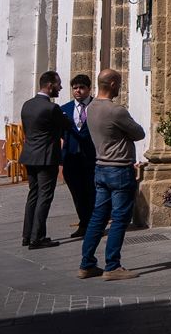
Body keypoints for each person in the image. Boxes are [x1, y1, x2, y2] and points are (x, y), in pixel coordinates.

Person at [78, 69, 146, 281]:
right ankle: (112, 266)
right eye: (120, 83)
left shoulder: (91, 108)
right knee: (119, 219)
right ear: (114, 83)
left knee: (98, 217)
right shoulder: (116, 111)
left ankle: (87, 264)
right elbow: (139, 133)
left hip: (101, 167)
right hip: (119, 169)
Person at [18, 70, 66, 250]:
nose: (60, 87)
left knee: (33, 195)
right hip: (46, 157)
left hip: (29, 156)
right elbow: (65, 126)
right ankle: (37, 237)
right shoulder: (51, 108)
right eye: (58, 84)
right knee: (44, 197)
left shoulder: (27, 105)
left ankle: (27, 234)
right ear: (50, 85)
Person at [59, 74, 96, 238]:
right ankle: (83, 223)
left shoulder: (97, 107)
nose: (78, 91)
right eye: (75, 88)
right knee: (77, 193)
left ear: (89, 89)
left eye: (81, 88)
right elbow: (60, 132)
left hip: (92, 157)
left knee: (92, 192)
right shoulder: (64, 109)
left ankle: (94, 225)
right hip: (71, 158)